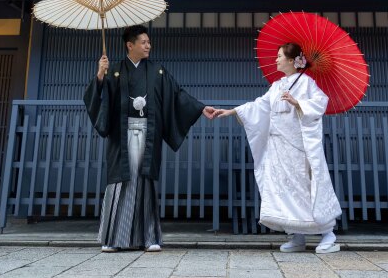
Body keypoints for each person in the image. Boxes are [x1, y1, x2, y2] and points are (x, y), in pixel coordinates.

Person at [84, 25, 217, 252]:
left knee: (145, 182)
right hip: (121, 135)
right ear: (130, 45)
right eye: (143, 42)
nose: (148, 46)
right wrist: (100, 75)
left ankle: (149, 238)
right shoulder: (114, 70)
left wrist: (200, 107)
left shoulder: (158, 72)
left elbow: (177, 94)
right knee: (121, 181)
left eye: (148, 42)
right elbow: (97, 100)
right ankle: (114, 239)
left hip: (148, 134)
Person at [214, 43, 342, 253]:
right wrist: (230, 111)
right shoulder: (277, 85)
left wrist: (298, 102)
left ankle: (328, 233)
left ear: (292, 61)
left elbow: (321, 102)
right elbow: (260, 106)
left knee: (306, 188)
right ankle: (297, 235)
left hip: (299, 147)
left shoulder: (307, 83)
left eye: (280, 56)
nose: (276, 60)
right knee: (285, 191)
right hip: (279, 147)